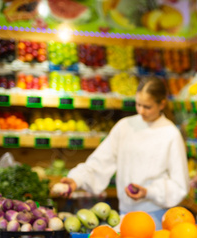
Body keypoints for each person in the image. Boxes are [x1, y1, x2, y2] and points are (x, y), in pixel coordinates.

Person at [56, 76, 189, 228]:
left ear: (162, 104)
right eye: (138, 104)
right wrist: (76, 180)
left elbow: (180, 184)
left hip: (157, 216)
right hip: (124, 214)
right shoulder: (125, 126)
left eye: (147, 107)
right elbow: (100, 161)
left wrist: (149, 192)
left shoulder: (170, 134)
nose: (141, 111)